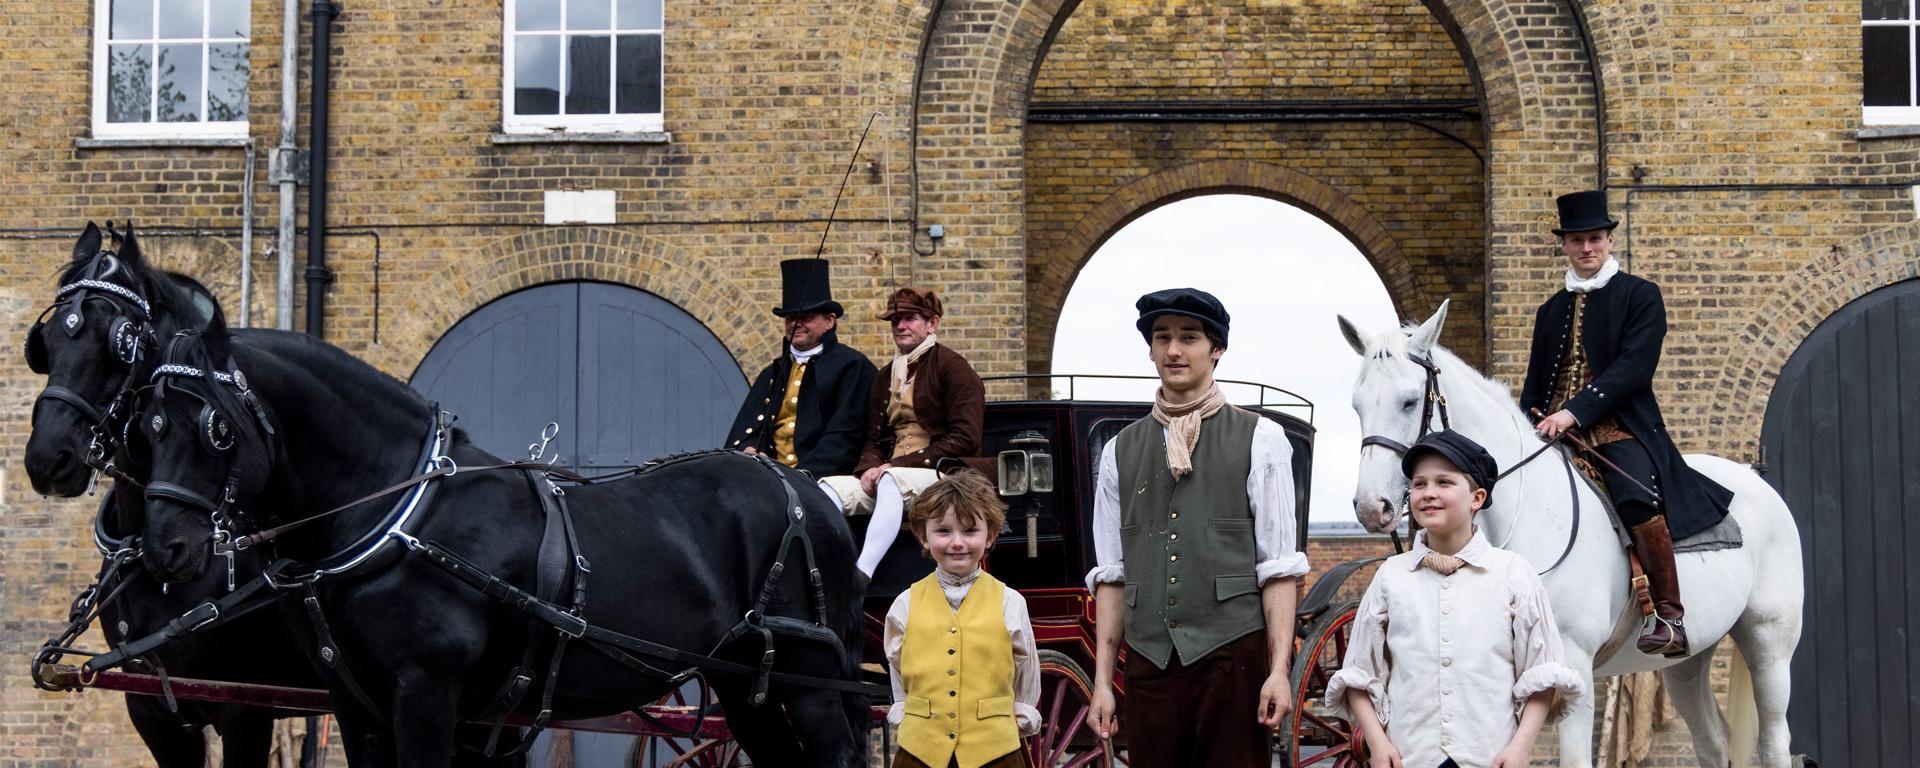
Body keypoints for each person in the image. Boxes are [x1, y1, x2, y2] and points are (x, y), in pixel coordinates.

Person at [1083, 288, 1308, 768]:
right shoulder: (1118, 452)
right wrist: (1104, 682)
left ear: (1217, 349)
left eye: (1189, 338)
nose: (1173, 351)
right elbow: (1112, 573)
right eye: (1162, 338)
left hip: (1233, 658)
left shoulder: (1260, 439)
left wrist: (1277, 672)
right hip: (1149, 662)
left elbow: (1279, 568)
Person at [1518, 189, 1734, 658]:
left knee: (1636, 495)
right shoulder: (1549, 310)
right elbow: (1535, 382)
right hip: (1551, 431)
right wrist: (1528, 420)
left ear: (1610, 239)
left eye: (1595, 238)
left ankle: (1669, 615)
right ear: (1564, 246)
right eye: (1577, 241)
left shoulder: (1640, 295)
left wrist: (1573, 412)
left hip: (1619, 428)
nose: (1586, 248)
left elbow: (1634, 368)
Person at [1328, 429, 1584, 768]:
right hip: (1410, 757)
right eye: (1419, 484)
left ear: (1477, 498)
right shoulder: (1391, 576)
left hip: (1489, 758)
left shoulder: (1514, 574)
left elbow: (1543, 674)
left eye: (1444, 483)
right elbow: (1359, 674)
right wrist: (1377, 743)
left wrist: (1521, 746)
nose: (1428, 493)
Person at [817, 286, 984, 577]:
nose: (901, 326)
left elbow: (965, 438)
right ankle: (828, 571)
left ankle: (861, 574)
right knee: (827, 489)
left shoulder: (954, 368)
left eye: (910, 318)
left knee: (891, 482)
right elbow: (873, 439)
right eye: (896, 321)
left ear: (932, 324)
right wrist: (870, 467)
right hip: (891, 475)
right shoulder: (885, 376)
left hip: (945, 475)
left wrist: (894, 466)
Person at [883, 471, 1040, 768]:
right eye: (943, 531)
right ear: (923, 536)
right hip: (920, 754)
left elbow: (1026, 673)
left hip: (995, 754)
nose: (957, 542)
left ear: (990, 536)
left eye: (970, 531)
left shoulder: (1010, 602)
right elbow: (898, 670)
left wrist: (1014, 721)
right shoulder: (904, 604)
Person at [725, 258, 876, 477]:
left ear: (829, 321)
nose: (795, 324)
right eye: (790, 318)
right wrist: (749, 451)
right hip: (770, 479)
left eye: (805, 317)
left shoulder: (852, 368)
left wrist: (799, 477)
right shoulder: (773, 373)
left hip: (825, 480)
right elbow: (745, 433)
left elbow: (843, 441)